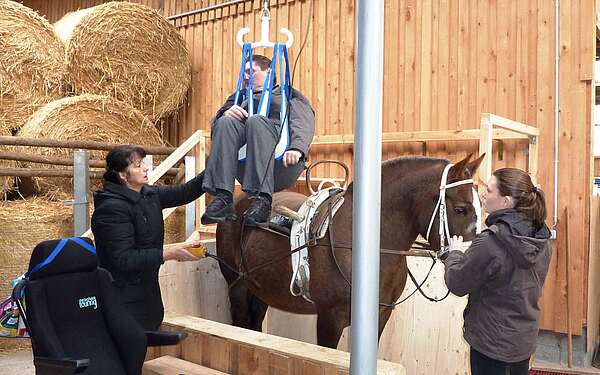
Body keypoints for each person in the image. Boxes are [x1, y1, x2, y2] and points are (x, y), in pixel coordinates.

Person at [440, 168, 552, 375]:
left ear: (506, 201)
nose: (483, 194)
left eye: (489, 191)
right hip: (522, 342)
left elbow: (457, 283)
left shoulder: (490, 242)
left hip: (491, 345)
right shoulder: (542, 239)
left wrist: (454, 254)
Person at [91, 145, 206, 330]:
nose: (145, 168)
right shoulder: (111, 210)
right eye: (137, 165)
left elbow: (186, 192)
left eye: (143, 163)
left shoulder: (149, 194)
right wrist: (168, 253)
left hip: (148, 294)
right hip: (122, 298)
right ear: (122, 175)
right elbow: (122, 259)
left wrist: (218, 163)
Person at [201, 54, 315, 227]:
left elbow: (302, 121)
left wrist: (297, 148)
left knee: (256, 120)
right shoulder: (237, 98)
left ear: (268, 72)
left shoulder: (288, 95)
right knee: (224, 122)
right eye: (243, 72)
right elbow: (216, 128)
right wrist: (224, 113)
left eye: (251, 71)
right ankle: (223, 197)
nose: (245, 76)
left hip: (281, 161)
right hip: (245, 164)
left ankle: (262, 200)